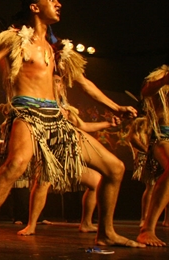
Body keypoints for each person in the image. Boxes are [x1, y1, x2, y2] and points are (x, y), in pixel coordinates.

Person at [0, 0, 144, 256]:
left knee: (115, 168)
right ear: (34, 7)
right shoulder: (13, 39)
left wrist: (115, 106)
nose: (59, 3)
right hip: (27, 114)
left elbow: (83, 83)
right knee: (15, 165)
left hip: (57, 119)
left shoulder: (56, 49)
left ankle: (106, 233)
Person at [17, 74, 119, 236]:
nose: (58, 85)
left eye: (60, 82)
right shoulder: (42, 102)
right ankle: (31, 225)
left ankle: (86, 223)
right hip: (52, 150)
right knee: (42, 183)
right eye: (55, 81)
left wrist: (108, 123)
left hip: (72, 152)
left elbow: (83, 126)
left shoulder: (66, 106)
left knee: (96, 182)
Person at [136, 65, 169, 246]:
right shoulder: (160, 83)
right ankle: (147, 229)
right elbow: (146, 91)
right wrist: (164, 80)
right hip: (163, 137)